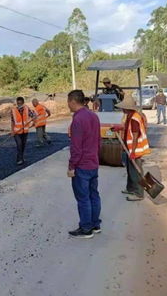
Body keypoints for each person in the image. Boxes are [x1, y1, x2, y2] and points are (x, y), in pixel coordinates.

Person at [67, 90, 102, 239]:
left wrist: (71, 166)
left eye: (68, 101)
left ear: (73, 101)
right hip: (93, 163)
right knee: (94, 195)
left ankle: (86, 228)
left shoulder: (78, 120)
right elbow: (98, 140)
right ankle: (95, 225)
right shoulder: (93, 116)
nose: (67, 104)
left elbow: (76, 147)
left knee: (83, 198)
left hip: (82, 166)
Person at [111, 97, 151, 201]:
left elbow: (135, 135)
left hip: (135, 149)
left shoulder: (134, 118)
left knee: (136, 171)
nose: (122, 109)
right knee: (130, 170)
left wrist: (133, 152)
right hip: (129, 148)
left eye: (123, 107)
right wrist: (118, 128)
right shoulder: (130, 115)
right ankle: (131, 188)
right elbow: (126, 128)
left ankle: (139, 193)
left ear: (128, 108)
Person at [11, 97, 36, 165]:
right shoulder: (13, 110)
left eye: (20, 103)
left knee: (23, 145)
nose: (19, 105)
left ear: (23, 103)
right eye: (18, 103)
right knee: (19, 145)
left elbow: (33, 115)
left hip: (25, 131)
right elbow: (12, 121)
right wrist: (12, 131)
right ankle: (19, 159)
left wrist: (34, 119)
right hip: (17, 131)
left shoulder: (26, 109)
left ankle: (21, 157)